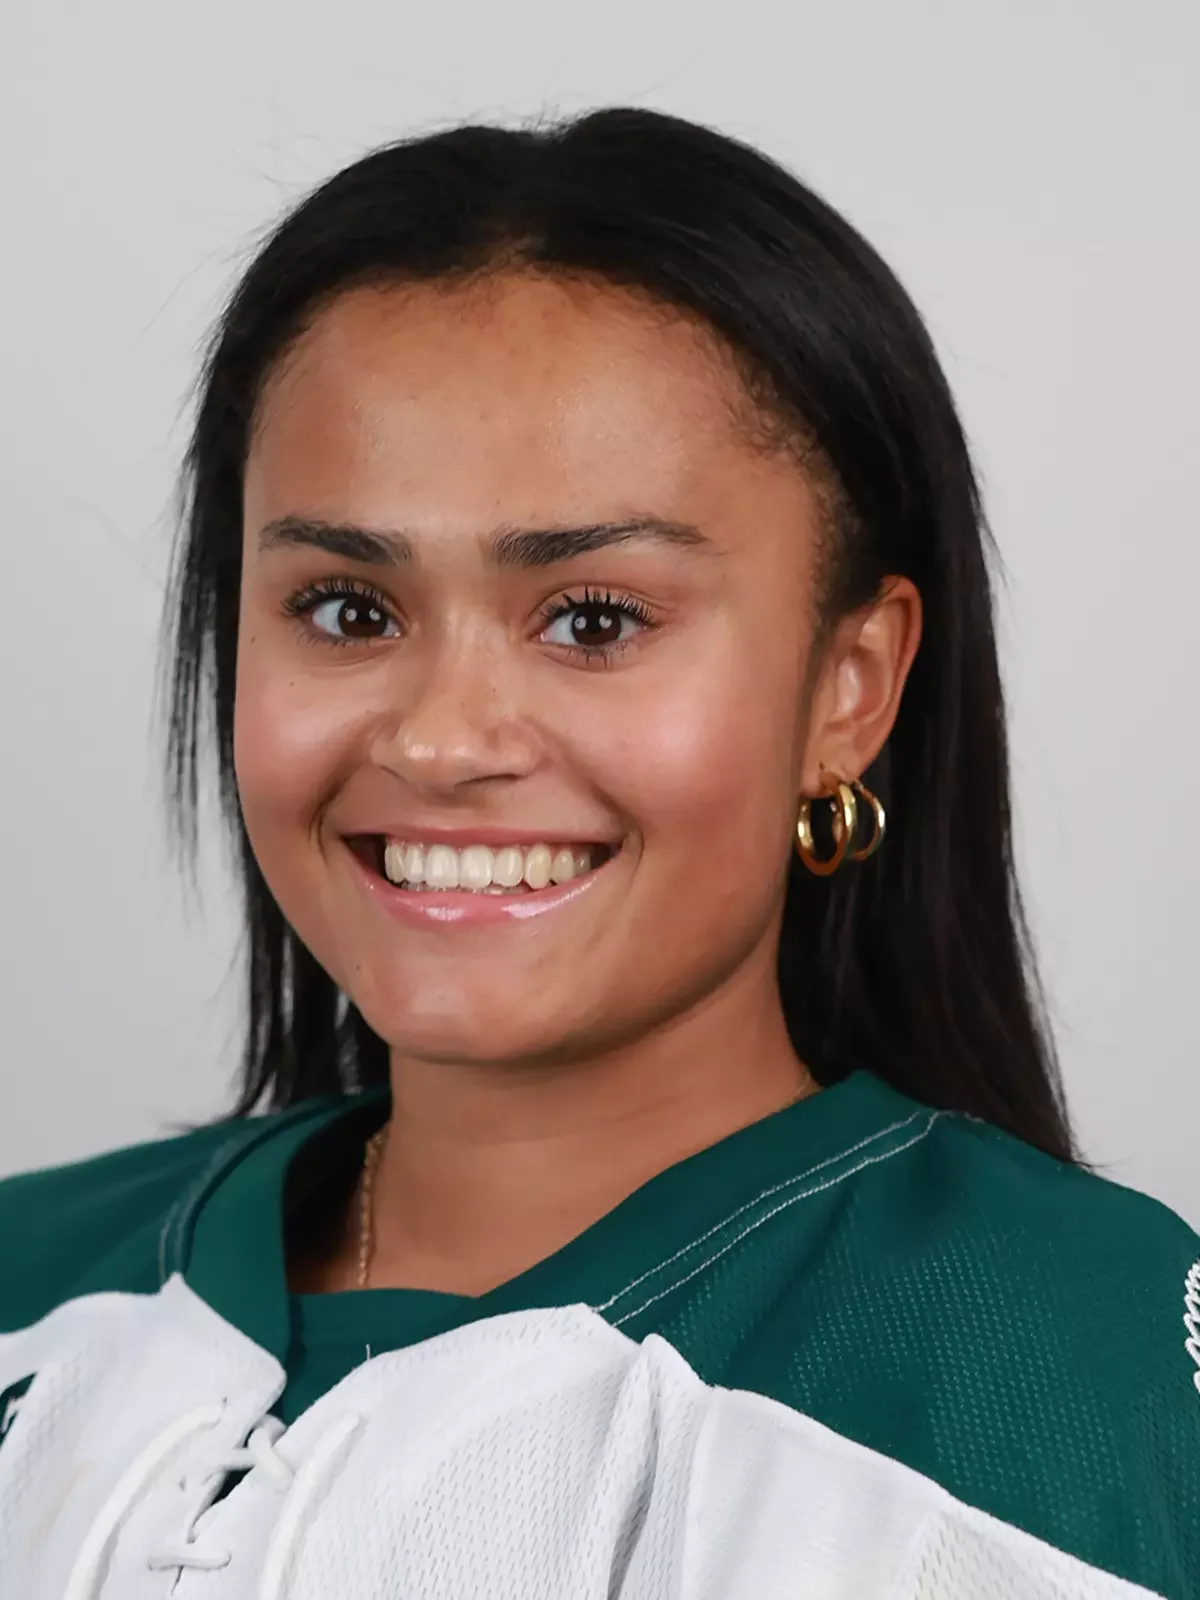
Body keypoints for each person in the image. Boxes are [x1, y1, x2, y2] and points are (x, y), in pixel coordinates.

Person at [0, 106, 1196, 1600]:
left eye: (594, 620)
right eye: (347, 610)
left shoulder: (1081, 1379)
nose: (442, 741)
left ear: (849, 687)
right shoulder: (28, 1283)